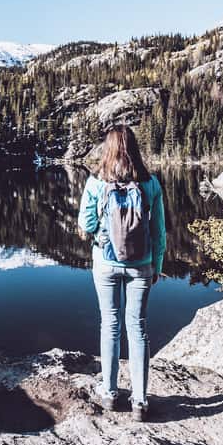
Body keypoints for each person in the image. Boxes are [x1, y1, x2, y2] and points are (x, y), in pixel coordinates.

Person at [78, 125, 166, 422]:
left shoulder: (96, 182)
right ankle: (140, 402)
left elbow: (87, 223)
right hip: (141, 265)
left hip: (105, 262)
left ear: (108, 148)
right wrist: (158, 265)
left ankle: (110, 394)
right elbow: (159, 231)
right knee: (137, 328)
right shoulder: (151, 183)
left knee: (110, 325)